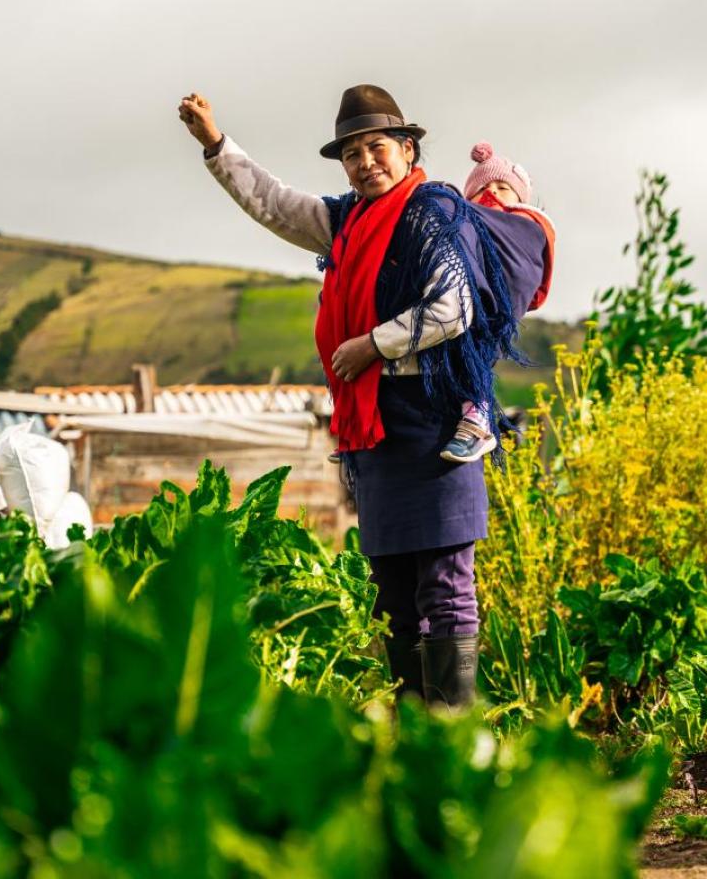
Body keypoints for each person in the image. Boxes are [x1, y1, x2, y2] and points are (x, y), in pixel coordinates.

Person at [177, 85, 549, 709]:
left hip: (436, 422)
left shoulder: (435, 214)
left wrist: (371, 346)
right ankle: (413, 735)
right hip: (376, 427)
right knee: (392, 587)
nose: (365, 162)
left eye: (377, 146)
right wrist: (216, 144)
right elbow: (273, 202)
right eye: (351, 153)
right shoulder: (347, 220)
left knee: (446, 584)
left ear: (407, 150)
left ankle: (451, 733)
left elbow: (452, 308)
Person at [441, 142, 556, 463]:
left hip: (496, 306)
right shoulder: (465, 225)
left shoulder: (527, 224)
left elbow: (523, 268)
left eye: (503, 187)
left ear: (522, 198)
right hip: (465, 301)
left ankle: (477, 419)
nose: (492, 193)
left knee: (473, 355)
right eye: (482, 189)